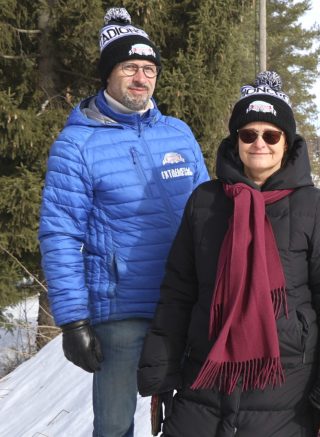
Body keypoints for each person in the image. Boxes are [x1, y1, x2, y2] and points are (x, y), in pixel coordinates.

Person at [137, 71, 320, 436]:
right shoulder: (205, 202)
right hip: (204, 385)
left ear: (286, 142)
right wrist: (161, 370)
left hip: (288, 393)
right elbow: (178, 292)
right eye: (248, 134)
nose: (260, 143)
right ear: (236, 140)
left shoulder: (313, 207)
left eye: (271, 135)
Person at [38, 7, 210, 437]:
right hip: (120, 314)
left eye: (149, 68)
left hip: (185, 303)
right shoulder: (76, 146)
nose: (141, 78)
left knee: (196, 416)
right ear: (108, 73)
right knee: (115, 426)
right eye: (130, 66)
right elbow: (60, 235)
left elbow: (208, 215)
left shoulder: (178, 134)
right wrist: (74, 320)